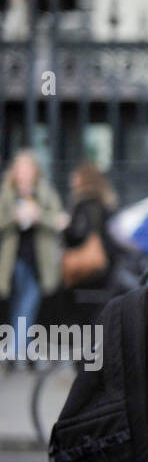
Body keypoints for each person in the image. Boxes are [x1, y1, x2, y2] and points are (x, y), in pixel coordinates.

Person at [0, 150, 66, 366]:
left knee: (28, 303)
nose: (24, 173)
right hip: (13, 259)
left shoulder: (45, 192)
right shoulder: (7, 193)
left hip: (40, 259)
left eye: (27, 169)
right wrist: (14, 216)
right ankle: (25, 353)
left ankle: (16, 351)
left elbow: (58, 220)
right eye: (20, 169)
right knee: (21, 304)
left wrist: (38, 215)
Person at [61, 162, 119, 291]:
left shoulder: (83, 203)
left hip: (87, 262)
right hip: (106, 261)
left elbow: (78, 233)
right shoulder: (105, 202)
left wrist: (65, 228)